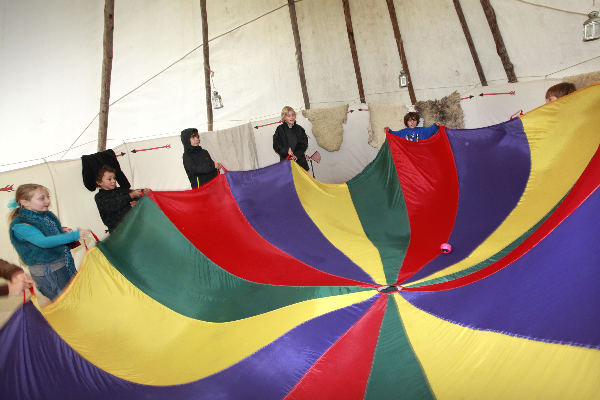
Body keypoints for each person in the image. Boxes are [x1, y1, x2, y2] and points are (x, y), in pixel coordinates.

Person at [8, 184, 91, 300]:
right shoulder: (20, 225)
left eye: (48, 196)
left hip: (61, 265)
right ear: (25, 202)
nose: (47, 201)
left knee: (73, 297)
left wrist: (61, 230)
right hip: (49, 272)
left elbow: (44, 232)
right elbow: (43, 241)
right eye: (42, 198)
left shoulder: (43, 215)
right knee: (64, 301)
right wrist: (74, 235)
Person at [273, 106, 309, 171]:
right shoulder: (279, 129)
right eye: (288, 116)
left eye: (293, 115)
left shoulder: (299, 129)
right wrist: (286, 150)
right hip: (286, 162)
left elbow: (304, 144)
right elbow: (276, 145)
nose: (291, 117)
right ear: (284, 117)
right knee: (290, 180)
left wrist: (296, 155)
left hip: (300, 161)